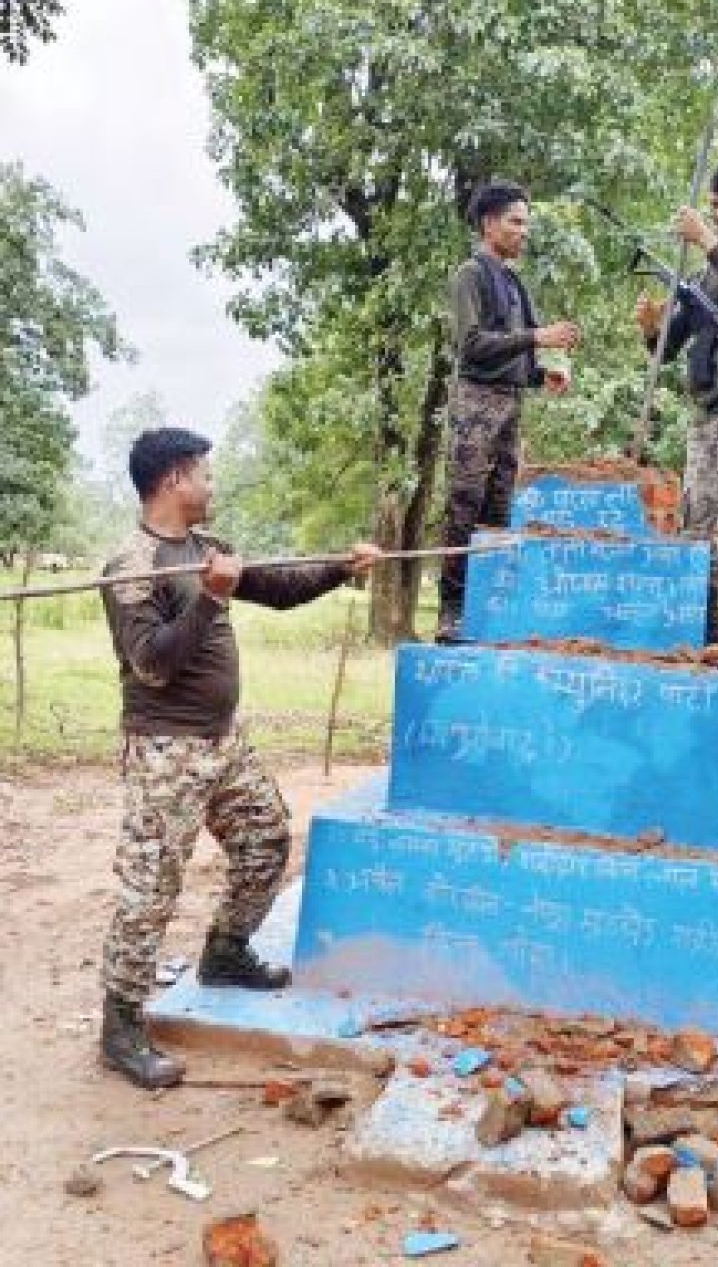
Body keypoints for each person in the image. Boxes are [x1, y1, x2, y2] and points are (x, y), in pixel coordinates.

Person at [99, 427, 380, 1088]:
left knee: (267, 841)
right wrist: (212, 597)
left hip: (222, 741)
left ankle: (225, 953)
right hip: (167, 749)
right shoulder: (132, 565)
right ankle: (120, 1026)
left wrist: (343, 568)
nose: (211, 484)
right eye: (204, 473)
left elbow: (278, 587)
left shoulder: (207, 549)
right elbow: (152, 664)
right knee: (151, 887)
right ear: (174, 479)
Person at [437, 180, 581, 641]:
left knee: (499, 508)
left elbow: (512, 352)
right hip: (475, 403)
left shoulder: (515, 283)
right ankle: (451, 610)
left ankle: (488, 610)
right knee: (464, 504)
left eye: (526, 223)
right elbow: (472, 346)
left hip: (510, 403)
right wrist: (538, 337)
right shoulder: (469, 275)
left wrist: (540, 374)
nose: (524, 231)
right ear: (488, 224)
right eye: (515, 222)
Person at [636, 153, 718, 648]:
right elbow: (667, 346)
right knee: (697, 519)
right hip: (707, 412)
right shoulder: (704, 275)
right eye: (715, 205)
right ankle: (699, 622)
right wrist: (651, 328)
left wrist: (707, 242)